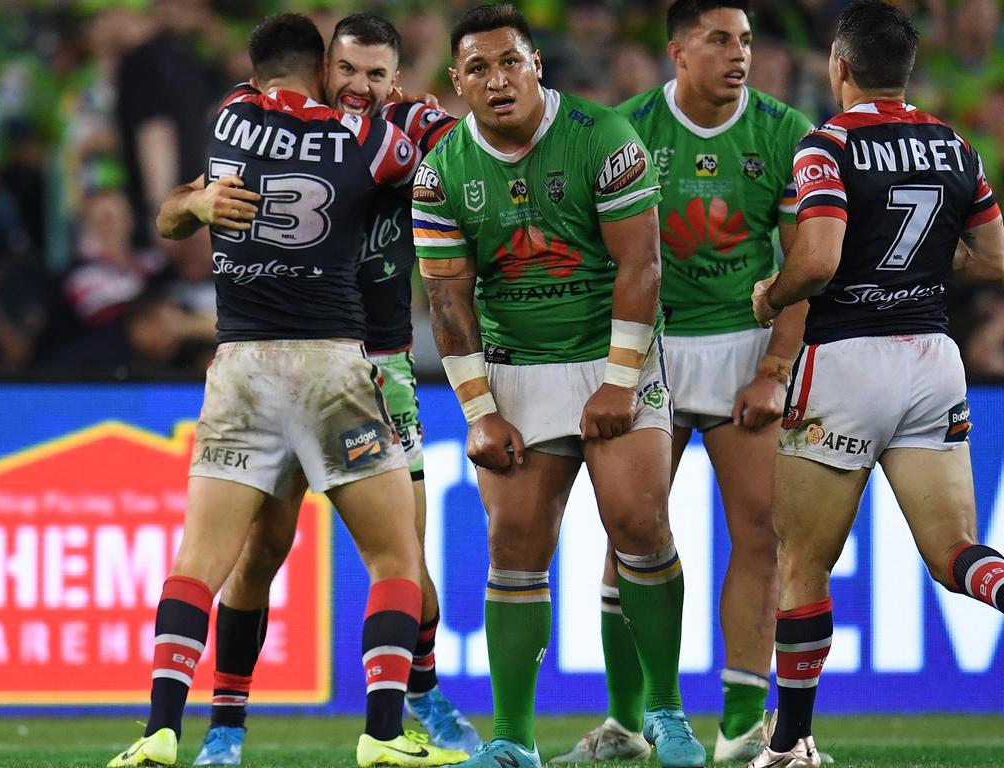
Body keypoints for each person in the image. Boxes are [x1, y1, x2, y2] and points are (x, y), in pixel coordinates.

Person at [108, 14, 468, 768]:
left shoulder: (233, 116)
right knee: (386, 558)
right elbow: (465, 158)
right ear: (323, 66)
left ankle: (161, 730)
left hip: (252, 363)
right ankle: (369, 731)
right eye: (348, 72)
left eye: (376, 76)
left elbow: (174, 210)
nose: (360, 87)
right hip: (337, 365)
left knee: (201, 559)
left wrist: (200, 203)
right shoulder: (374, 139)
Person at [414, 5, 706, 768]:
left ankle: (665, 715)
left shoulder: (603, 138)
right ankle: (513, 739)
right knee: (513, 546)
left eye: (509, 61)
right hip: (513, 366)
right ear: (457, 84)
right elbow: (447, 298)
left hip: (612, 351)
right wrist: (478, 411)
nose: (497, 79)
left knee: (639, 525)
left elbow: (642, 266)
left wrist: (616, 381)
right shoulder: (441, 170)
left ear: (537, 63)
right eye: (478, 68)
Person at [554, 2, 812, 763]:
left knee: (761, 532)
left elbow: (803, 266)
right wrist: (614, 366)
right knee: (631, 533)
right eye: (720, 40)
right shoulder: (624, 131)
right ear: (677, 50)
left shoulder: (785, 132)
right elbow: (598, 259)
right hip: (651, 349)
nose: (739, 55)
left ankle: (740, 728)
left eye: (747, 42)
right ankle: (629, 725)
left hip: (745, 348)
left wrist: (774, 370)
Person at [750, 2, 1004, 765]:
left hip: (847, 361)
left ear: (840, 66)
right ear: (908, 71)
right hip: (931, 355)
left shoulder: (826, 146)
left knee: (801, 560)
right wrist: (927, 266)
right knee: (956, 552)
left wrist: (774, 292)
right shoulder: (953, 146)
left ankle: (792, 746)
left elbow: (820, 259)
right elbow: (993, 255)